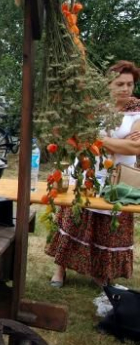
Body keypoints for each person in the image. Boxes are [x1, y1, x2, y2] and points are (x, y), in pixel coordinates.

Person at [47, 60, 140, 288]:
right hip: (87, 173)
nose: (126, 89)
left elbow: (136, 148)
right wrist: (118, 143)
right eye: (120, 84)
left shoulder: (137, 112)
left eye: (130, 84)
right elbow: (79, 139)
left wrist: (99, 139)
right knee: (74, 219)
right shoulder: (93, 109)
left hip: (119, 180)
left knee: (108, 226)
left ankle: (101, 272)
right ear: (108, 84)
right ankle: (60, 269)